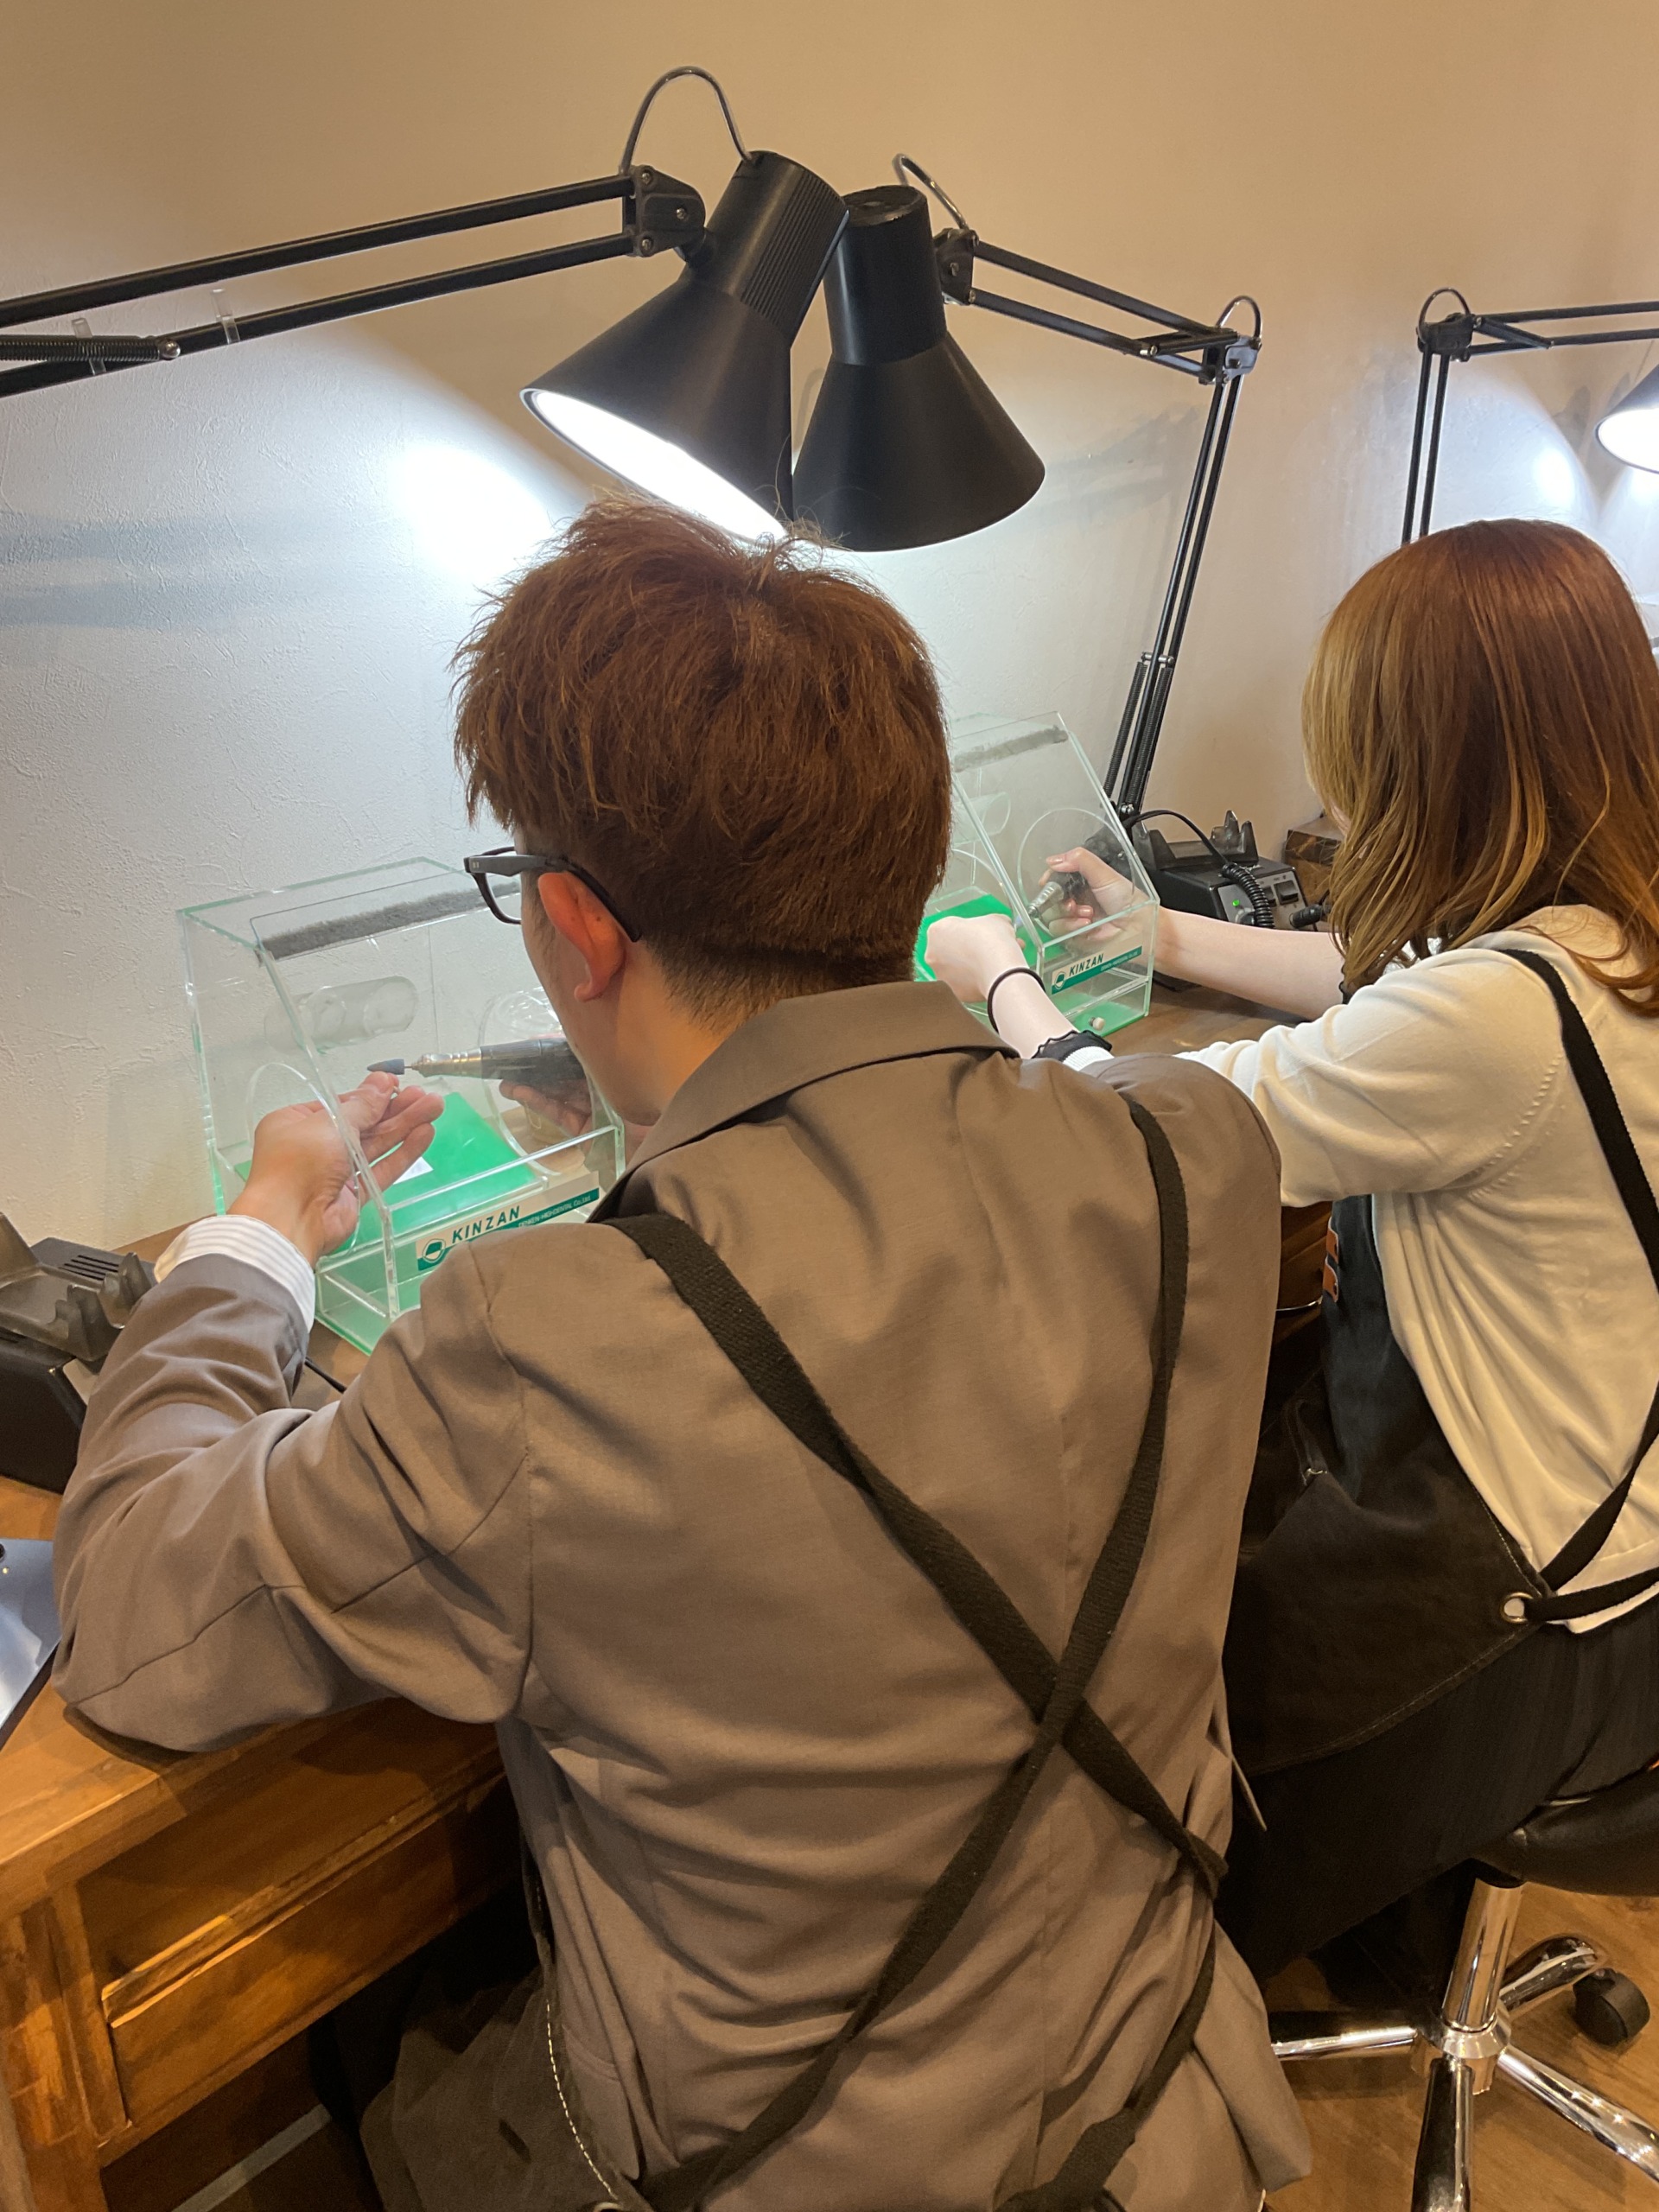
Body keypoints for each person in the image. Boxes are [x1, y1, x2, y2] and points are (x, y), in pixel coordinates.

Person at [53, 502, 1307, 2211]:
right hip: (1163, 2100)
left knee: (369, 2062)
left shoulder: (543, 1338)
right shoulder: (1198, 1155)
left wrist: (263, 1222)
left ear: (575, 929)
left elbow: (133, 1609)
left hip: (787, 2178)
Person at [926, 517, 1659, 1993]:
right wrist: (1162, 932)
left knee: (1117, 1772)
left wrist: (999, 980)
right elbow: (1379, 982)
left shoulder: (1498, 1020)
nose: (1336, 790)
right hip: (1632, 1546)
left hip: (1534, 1614)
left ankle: (1149, 1986)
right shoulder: (1603, 937)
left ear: (1432, 763)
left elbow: (1157, 1132)